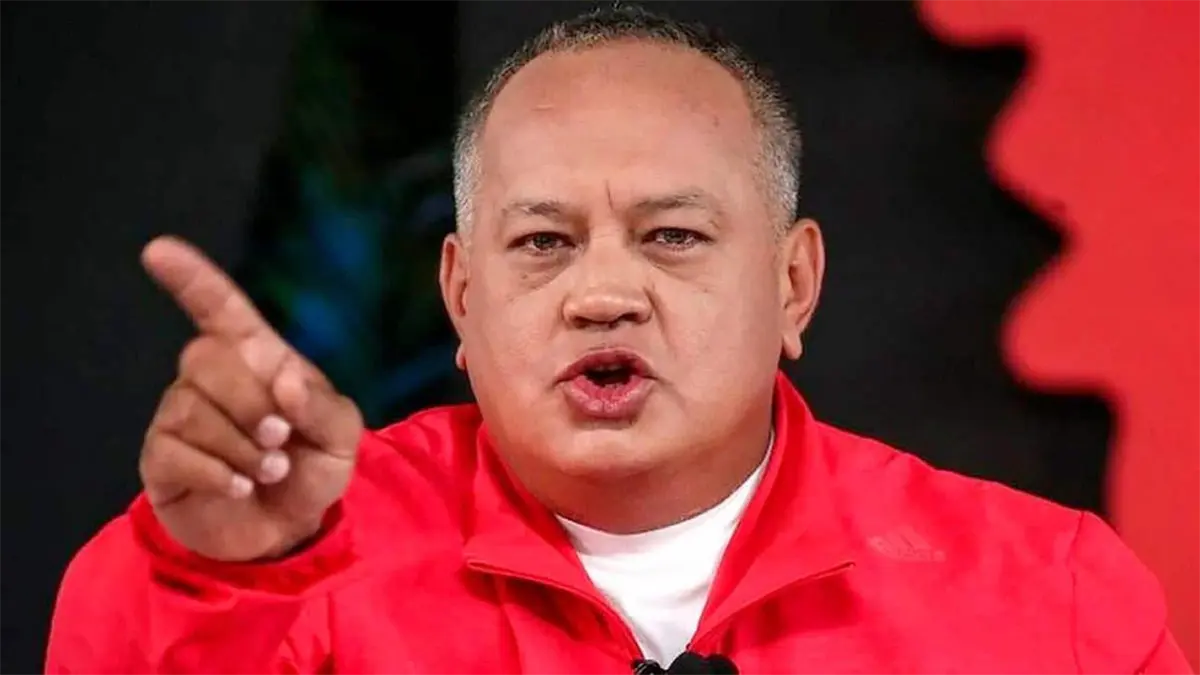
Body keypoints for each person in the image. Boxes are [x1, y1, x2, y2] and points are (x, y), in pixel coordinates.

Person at [45, 6, 1192, 674]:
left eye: (672, 237)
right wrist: (214, 580)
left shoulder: (1054, 600)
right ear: (460, 297)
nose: (602, 295)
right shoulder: (291, 561)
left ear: (794, 285)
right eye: (542, 243)